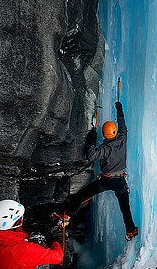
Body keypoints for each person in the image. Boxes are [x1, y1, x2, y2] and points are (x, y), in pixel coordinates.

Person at [57, 101, 138, 241]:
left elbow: (91, 155)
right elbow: (122, 124)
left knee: (83, 195)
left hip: (106, 181)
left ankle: (66, 215)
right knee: (125, 208)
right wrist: (119, 109)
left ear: (105, 135)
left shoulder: (104, 149)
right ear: (115, 132)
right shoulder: (123, 138)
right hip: (119, 182)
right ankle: (130, 231)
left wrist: (92, 137)